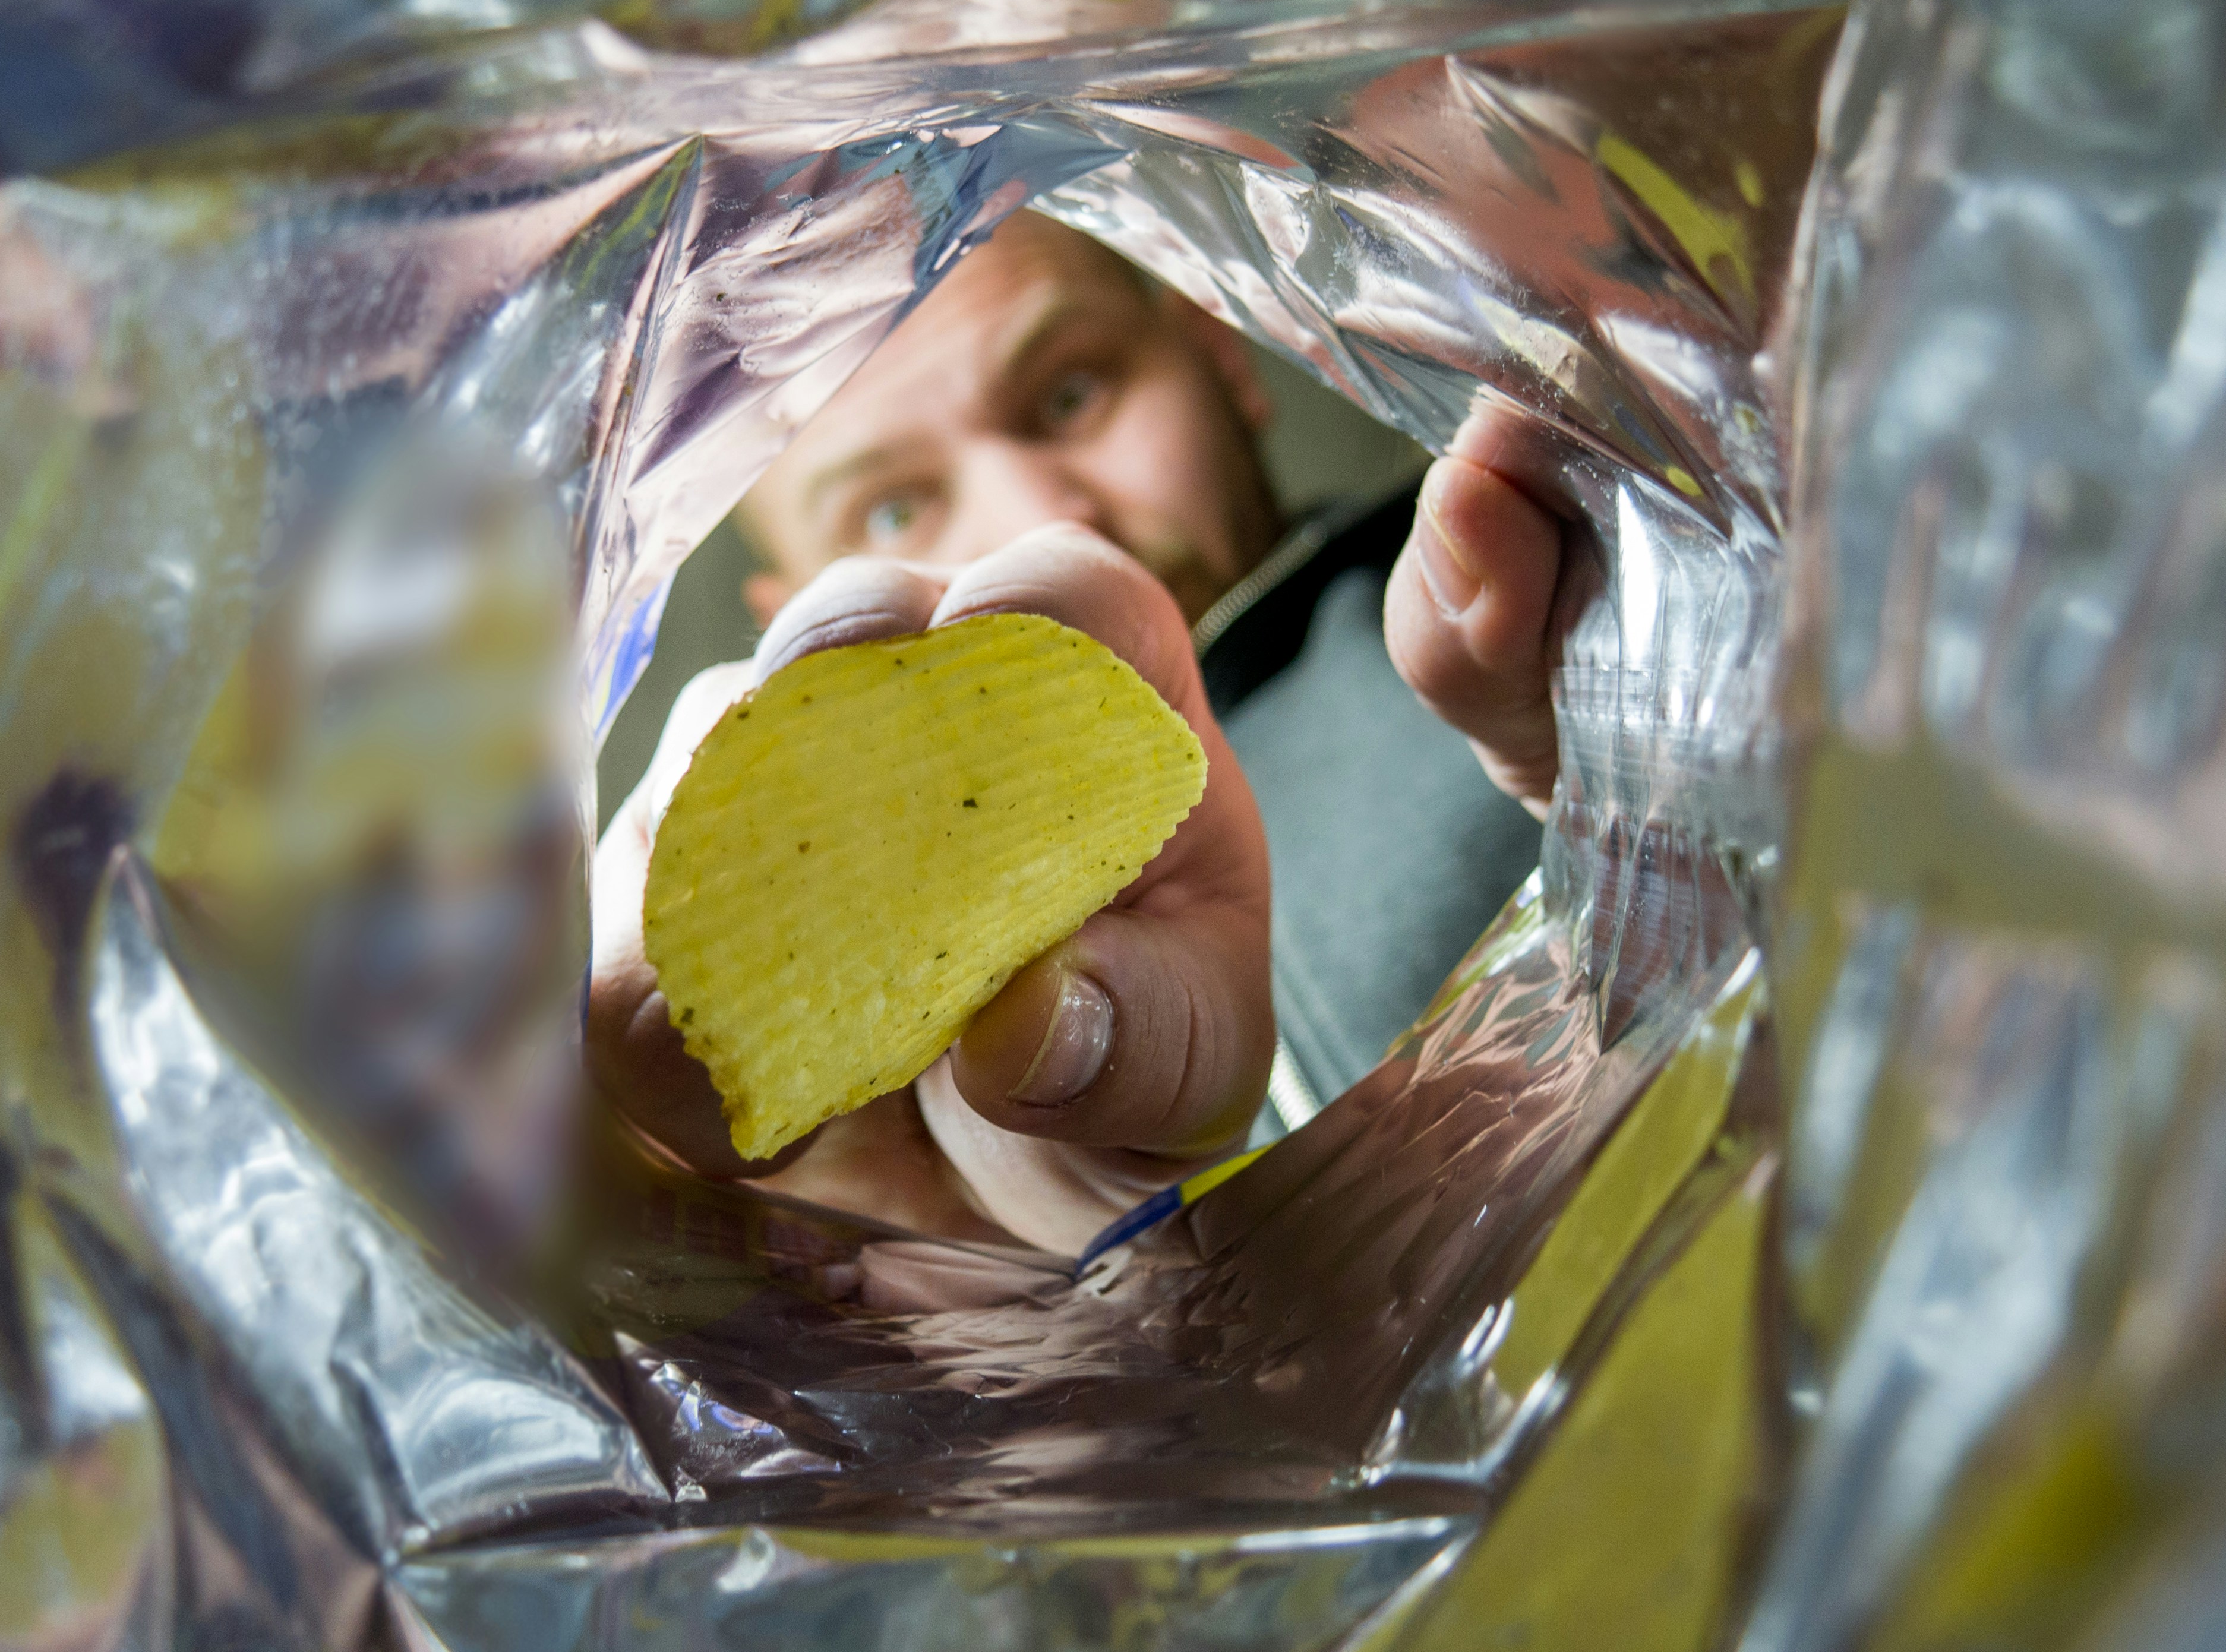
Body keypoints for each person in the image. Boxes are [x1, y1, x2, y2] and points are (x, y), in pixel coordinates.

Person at [588, 211, 1568, 1253]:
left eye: (1071, 394)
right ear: (785, 604)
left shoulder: (1531, 613)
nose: (1045, 515)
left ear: (1218, 351)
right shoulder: (881, 1034)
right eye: (891, 513)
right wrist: (928, 1275)